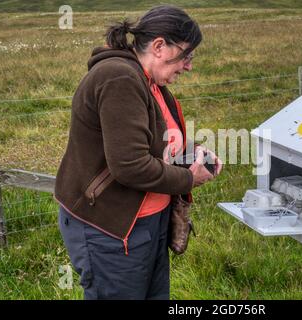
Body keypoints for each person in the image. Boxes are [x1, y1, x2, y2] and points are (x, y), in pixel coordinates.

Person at [54, 5, 222, 300]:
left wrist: (191, 152)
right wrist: (187, 178)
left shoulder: (149, 82)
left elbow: (149, 140)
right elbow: (130, 165)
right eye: (186, 55)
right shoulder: (119, 78)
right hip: (110, 229)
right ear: (159, 46)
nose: (188, 66)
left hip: (148, 222)